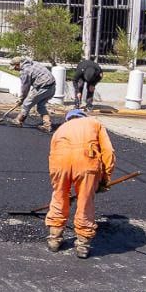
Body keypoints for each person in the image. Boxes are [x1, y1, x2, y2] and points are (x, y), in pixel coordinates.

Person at [46, 108, 116, 258]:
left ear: (68, 119)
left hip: (59, 162)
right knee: (85, 201)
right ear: (83, 116)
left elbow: (52, 153)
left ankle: (54, 239)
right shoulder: (94, 123)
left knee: (59, 196)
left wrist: (59, 184)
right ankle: (83, 244)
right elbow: (108, 151)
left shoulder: (60, 129)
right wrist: (105, 179)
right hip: (86, 160)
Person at [12, 56, 57, 132]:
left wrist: (21, 99)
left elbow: (25, 88)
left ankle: (19, 121)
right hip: (52, 87)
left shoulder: (25, 71)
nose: (15, 69)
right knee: (41, 106)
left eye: (14, 67)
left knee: (26, 103)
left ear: (18, 64)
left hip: (43, 87)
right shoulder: (33, 63)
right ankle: (47, 125)